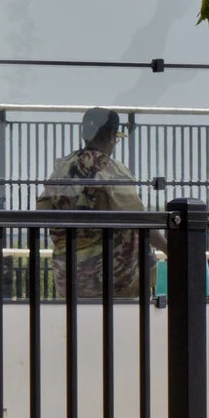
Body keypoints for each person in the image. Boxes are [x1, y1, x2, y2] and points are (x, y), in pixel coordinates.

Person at [34, 107, 150, 298]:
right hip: (109, 279)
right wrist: (171, 248)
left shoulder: (62, 168)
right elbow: (140, 219)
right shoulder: (110, 169)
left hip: (68, 276)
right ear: (112, 135)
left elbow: (42, 211)